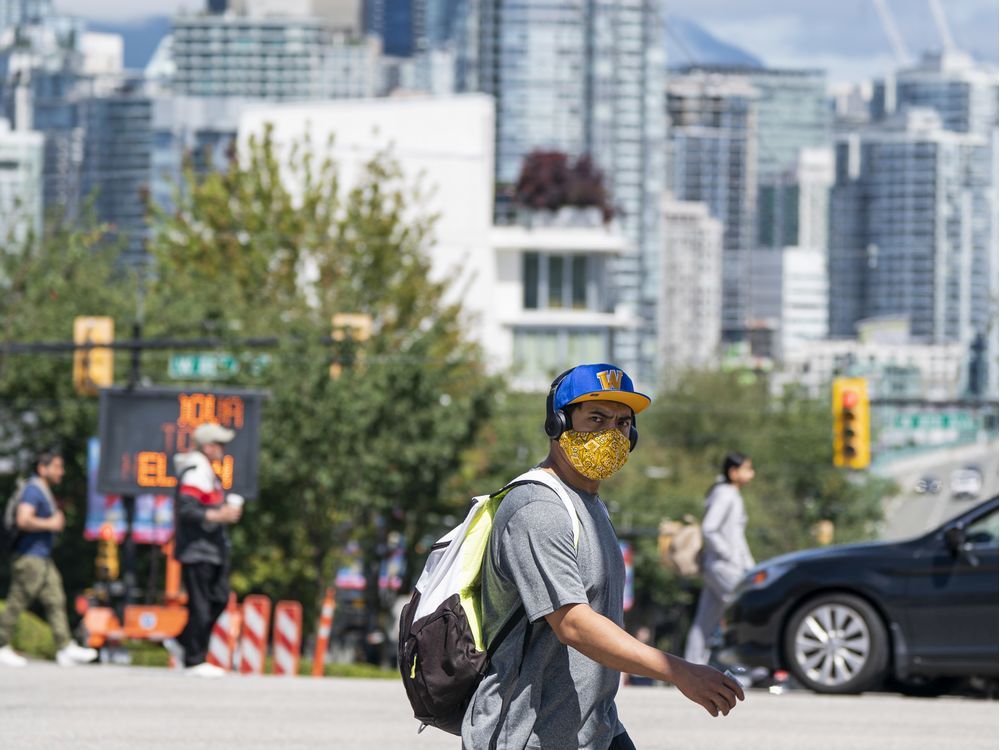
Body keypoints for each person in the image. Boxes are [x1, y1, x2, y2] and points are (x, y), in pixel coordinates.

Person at [462, 364, 743, 750]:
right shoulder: (538, 508)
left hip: (595, 731)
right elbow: (573, 624)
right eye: (596, 418)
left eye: (623, 423)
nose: (611, 434)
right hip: (528, 735)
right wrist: (678, 671)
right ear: (558, 424)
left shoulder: (592, 507)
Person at [0, 451, 99, 668]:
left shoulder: (43, 490)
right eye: (57, 467)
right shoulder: (33, 490)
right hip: (30, 557)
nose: (61, 472)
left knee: (55, 599)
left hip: (42, 557)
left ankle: (64, 648)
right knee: (19, 600)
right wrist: (51, 524)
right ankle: (1, 644)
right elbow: (23, 519)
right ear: (43, 469)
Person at [163, 422, 243, 678]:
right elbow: (186, 510)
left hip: (212, 549)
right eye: (220, 444)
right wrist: (218, 516)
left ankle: (182, 642)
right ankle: (194, 659)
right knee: (200, 604)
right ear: (208, 446)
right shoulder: (195, 470)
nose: (223, 448)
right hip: (198, 550)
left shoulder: (207, 471)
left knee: (218, 599)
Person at [684, 452, 756, 666]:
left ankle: (692, 664)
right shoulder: (725, 494)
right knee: (745, 608)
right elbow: (709, 528)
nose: (752, 474)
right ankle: (754, 665)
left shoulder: (729, 493)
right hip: (723, 566)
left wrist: (749, 565)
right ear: (733, 472)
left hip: (721, 565)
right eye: (748, 468)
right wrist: (728, 554)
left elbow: (737, 536)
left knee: (705, 620)